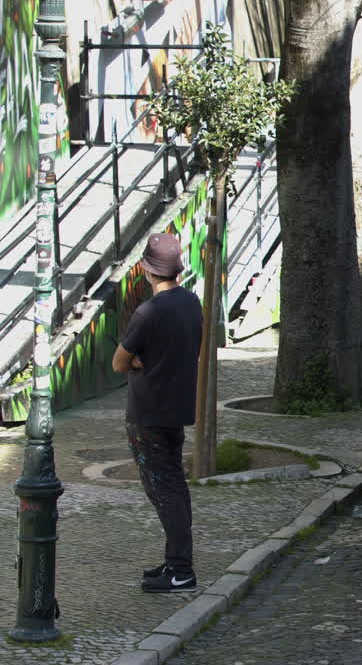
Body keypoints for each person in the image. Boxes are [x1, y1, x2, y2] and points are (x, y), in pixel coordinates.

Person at [112, 233, 203, 593]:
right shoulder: (192, 303)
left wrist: (138, 359)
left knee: (163, 491)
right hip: (176, 409)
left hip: (147, 413)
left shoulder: (148, 312)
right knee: (174, 486)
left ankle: (181, 570)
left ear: (147, 270)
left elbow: (120, 361)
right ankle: (174, 562)